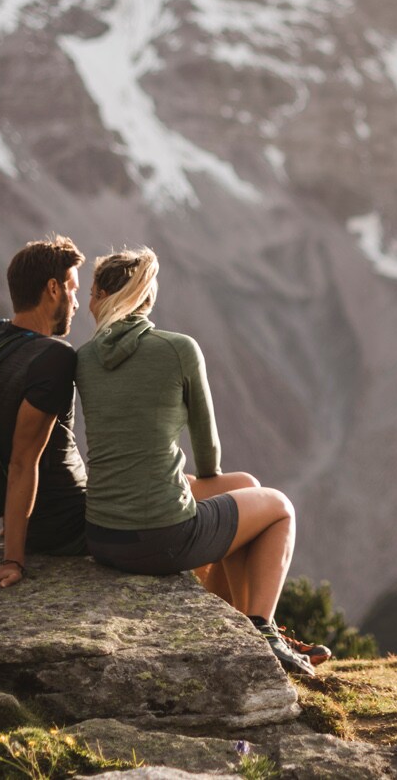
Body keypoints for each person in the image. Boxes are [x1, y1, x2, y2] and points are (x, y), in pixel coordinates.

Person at [76, 246, 323, 677]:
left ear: (97, 298)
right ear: (148, 298)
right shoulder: (178, 349)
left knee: (244, 484)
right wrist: (188, 475)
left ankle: (234, 622)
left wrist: (173, 476)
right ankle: (261, 629)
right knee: (279, 508)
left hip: (103, 536)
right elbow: (209, 456)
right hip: (160, 538)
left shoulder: (83, 359)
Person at [0, 235, 89, 591]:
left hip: (39, 521)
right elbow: (22, 461)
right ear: (52, 289)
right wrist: (12, 561)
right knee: (241, 494)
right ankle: (253, 630)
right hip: (72, 525)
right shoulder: (54, 358)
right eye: (73, 290)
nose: (76, 303)